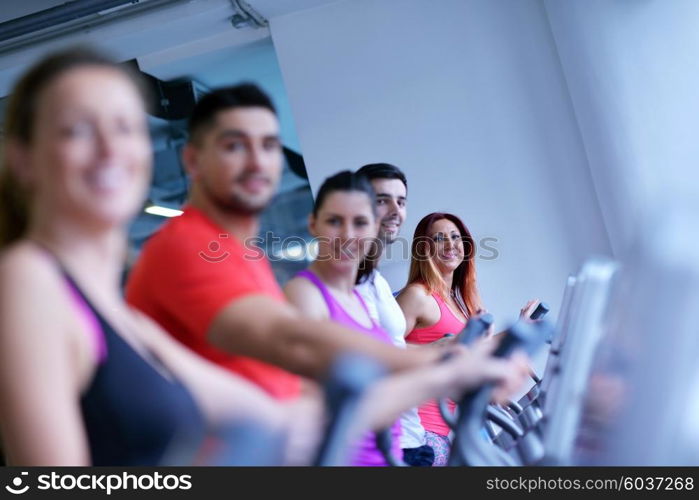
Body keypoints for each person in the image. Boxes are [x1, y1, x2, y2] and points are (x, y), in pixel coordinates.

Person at [125, 84, 532, 465]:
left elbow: (307, 385)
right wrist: (453, 366)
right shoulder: (190, 246)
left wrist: (454, 362)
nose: (256, 160)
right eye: (234, 145)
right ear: (193, 160)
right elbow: (294, 341)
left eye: (268, 145)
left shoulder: (241, 255)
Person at [0, 47, 317, 466]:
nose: (110, 148)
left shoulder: (118, 312)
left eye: (126, 128)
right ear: (23, 160)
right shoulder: (27, 280)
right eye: (77, 130)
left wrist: (406, 375)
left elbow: (273, 420)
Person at [396, 212, 537, 465]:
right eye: (439, 239)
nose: (450, 245)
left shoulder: (455, 301)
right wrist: (433, 349)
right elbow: (383, 348)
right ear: (424, 249)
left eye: (455, 236)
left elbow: (466, 349)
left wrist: (520, 327)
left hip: (442, 431)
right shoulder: (418, 295)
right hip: (420, 434)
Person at [353, 163, 432, 466]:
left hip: (412, 437)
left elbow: (393, 347)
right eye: (382, 199)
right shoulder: (348, 282)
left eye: (401, 201)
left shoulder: (378, 281)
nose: (395, 210)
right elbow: (372, 361)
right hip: (388, 448)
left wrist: (449, 349)